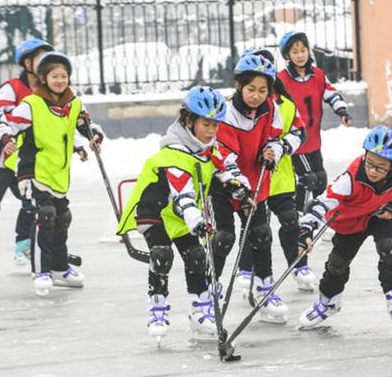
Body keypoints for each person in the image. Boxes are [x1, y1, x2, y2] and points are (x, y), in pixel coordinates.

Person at [117, 86, 237, 341]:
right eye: (206, 124)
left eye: (216, 125)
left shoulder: (206, 150)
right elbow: (183, 196)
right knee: (162, 255)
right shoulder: (174, 154)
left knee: (196, 256)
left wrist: (239, 189)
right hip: (155, 213)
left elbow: (224, 171)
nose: (212, 131)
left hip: (180, 216)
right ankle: (157, 309)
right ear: (189, 120)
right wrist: (197, 222)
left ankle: (199, 310)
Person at [0, 51, 103, 296]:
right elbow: (5, 123)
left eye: (64, 75)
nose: (60, 80)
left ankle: (60, 267)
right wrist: (8, 139)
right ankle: (41, 271)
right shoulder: (31, 105)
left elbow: (85, 123)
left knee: (62, 218)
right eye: (54, 76)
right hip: (32, 171)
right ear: (43, 78)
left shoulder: (72, 103)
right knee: (45, 215)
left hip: (57, 173)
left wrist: (93, 137)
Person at [297, 126, 392, 336]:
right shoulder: (351, 178)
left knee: (388, 248)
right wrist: (307, 227)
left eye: (380, 167)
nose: (372, 171)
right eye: (369, 163)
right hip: (352, 220)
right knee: (337, 264)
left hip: (383, 213)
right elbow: (323, 202)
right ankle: (329, 302)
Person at [211, 54, 289, 323]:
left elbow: (276, 138)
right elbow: (223, 156)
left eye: (263, 90)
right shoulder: (226, 112)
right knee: (224, 238)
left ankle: (265, 286)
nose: (256, 96)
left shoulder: (271, 109)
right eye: (251, 89)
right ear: (238, 85)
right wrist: (239, 191)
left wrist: (272, 151)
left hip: (256, 182)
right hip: (225, 184)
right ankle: (209, 290)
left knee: (260, 234)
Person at [234, 47, 316, 293]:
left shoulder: (286, 105)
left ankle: (299, 264)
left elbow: (298, 133)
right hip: (251, 178)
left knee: (291, 219)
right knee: (255, 226)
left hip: (280, 177)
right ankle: (246, 268)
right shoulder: (236, 109)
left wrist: (285, 150)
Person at [0, 38, 53, 271]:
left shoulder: (47, 89)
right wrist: (7, 136)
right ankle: (23, 247)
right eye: (40, 58)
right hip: (5, 156)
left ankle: (22, 247)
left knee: (31, 203)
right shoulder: (13, 87)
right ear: (27, 62)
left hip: (29, 159)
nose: (46, 63)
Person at [278, 31, 353, 213]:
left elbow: (331, 94)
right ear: (287, 55)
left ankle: (319, 214)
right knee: (307, 178)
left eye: (303, 50)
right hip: (296, 139)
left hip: (313, 139)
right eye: (295, 52)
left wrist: (342, 112)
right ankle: (297, 215)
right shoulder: (282, 79)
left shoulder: (318, 75)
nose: (300, 55)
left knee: (320, 178)